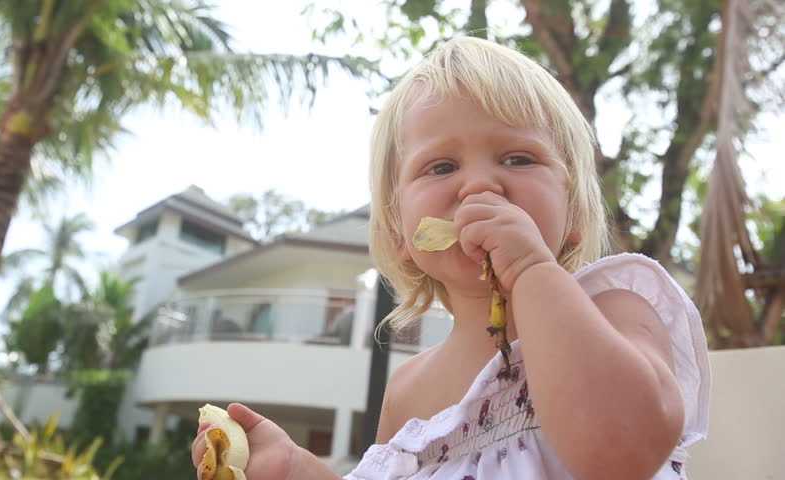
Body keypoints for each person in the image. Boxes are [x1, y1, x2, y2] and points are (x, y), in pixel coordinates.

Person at [192, 36, 711, 480]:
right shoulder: (408, 389)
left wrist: (531, 270)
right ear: (400, 232)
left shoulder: (616, 307)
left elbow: (621, 455)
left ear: (573, 209)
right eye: (441, 167)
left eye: (518, 158)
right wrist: (295, 468)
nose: (480, 184)